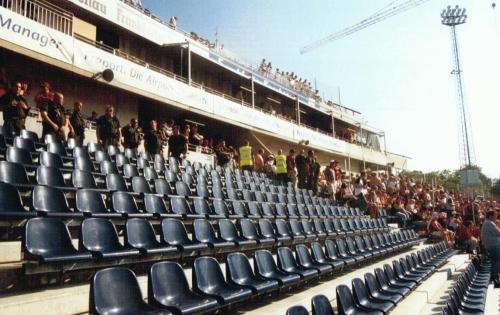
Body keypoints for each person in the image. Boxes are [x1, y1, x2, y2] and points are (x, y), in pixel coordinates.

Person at [481, 210, 500, 280]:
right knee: (498, 261)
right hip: (494, 245)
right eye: (495, 215)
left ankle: (495, 278)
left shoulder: (486, 223)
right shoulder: (489, 223)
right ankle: (494, 276)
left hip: (491, 245)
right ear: (491, 216)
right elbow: (498, 232)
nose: (496, 217)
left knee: (495, 261)